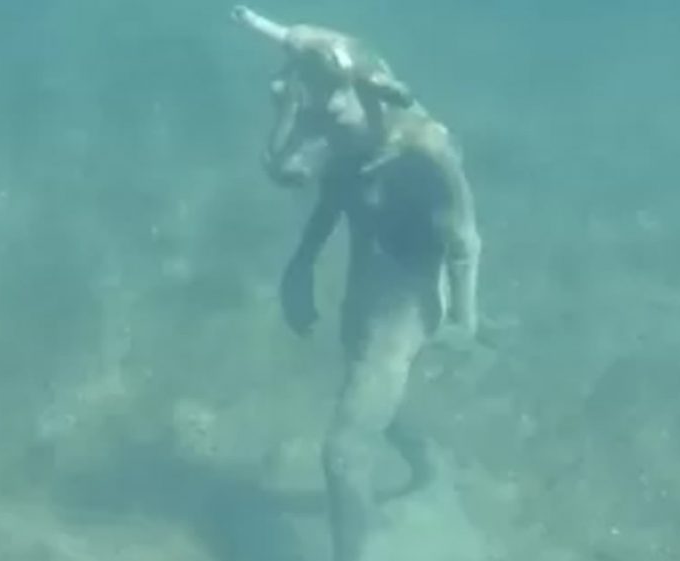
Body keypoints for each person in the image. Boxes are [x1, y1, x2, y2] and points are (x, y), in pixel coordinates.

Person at [232, 6, 484, 561]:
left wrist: (465, 320)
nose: (322, 129)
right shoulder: (346, 145)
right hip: (365, 292)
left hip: (409, 302)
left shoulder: (425, 147)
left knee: (344, 451)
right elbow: (332, 201)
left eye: (333, 112)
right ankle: (428, 472)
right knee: (372, 402)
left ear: (376, 94)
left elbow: (464, 239)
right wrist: (299, 267)